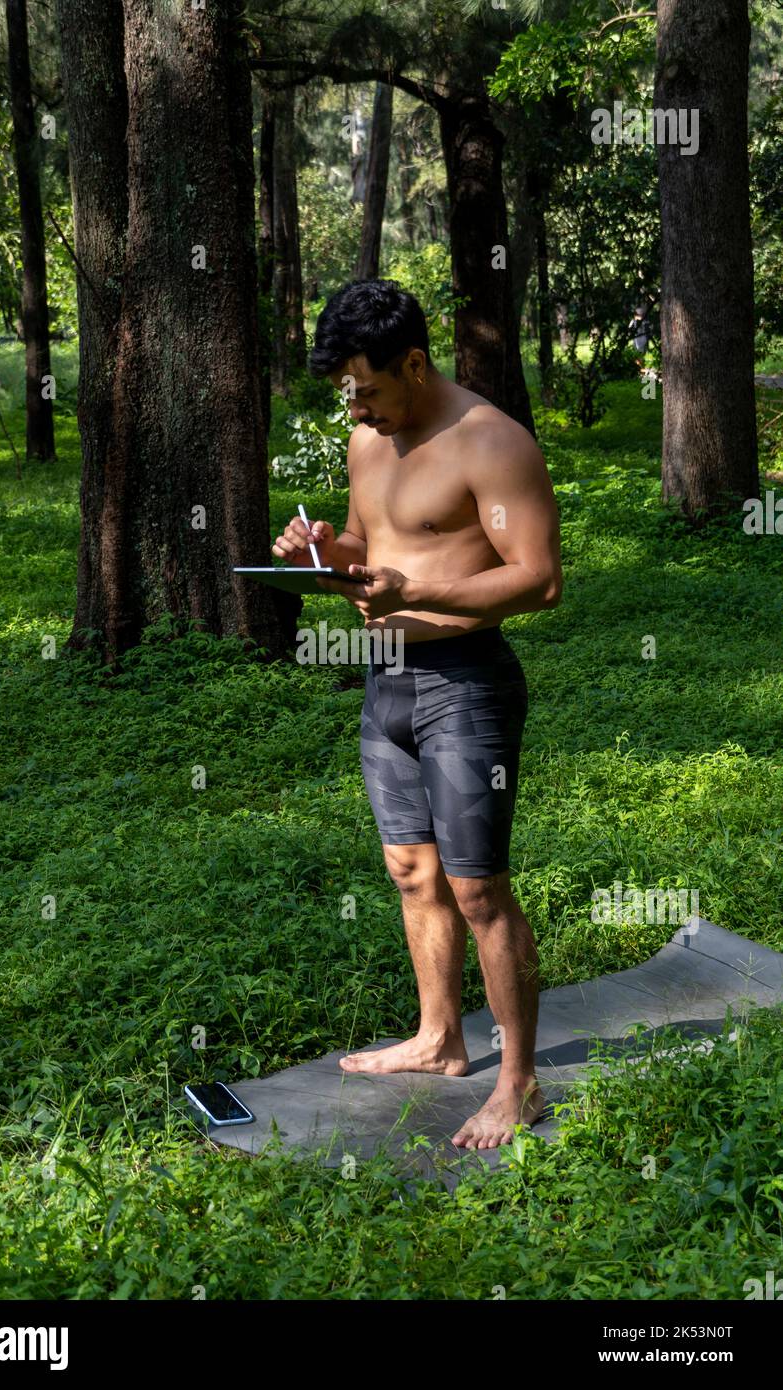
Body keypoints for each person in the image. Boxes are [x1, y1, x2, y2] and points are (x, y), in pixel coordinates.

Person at [272, 280, 563, 1150]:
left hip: (465, 681)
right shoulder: (371, 437)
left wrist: (419, 588)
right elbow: (377, 546)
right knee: (411, 872)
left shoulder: (491, 442)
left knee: (478, 889)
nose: (356, 408)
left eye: (367, 388)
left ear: (415, 362)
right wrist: (324, 553)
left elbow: (540, 577)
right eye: (345, 394)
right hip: (386, 679)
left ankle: (520, 1082)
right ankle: (440, 1040)